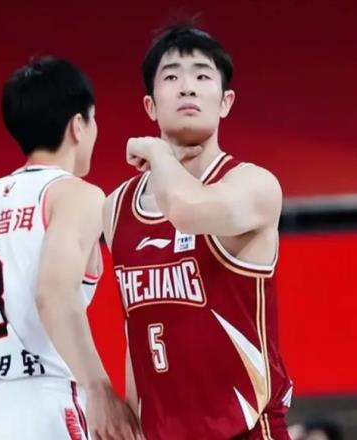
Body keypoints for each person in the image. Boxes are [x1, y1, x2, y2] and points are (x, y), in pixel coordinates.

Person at [103, 23, 293, 439]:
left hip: (248, 431)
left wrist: (157, 153)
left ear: (225, 102)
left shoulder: (254, 184)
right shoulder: (116, 207)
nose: (187, 87)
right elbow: (135, 332)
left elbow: (186, 210)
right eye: (172, 77)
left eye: (202, 76)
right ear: (151, 105)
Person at [0, 57, 141, 440]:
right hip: (39, 404)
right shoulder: (76, 195)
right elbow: (53, 293)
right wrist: (99, 389)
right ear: (78, 125)